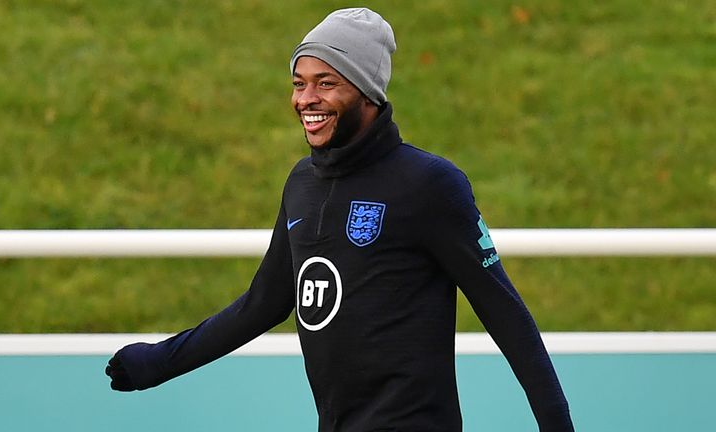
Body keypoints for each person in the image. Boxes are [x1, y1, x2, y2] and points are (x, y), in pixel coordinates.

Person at [105, 7, 574, 431]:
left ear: (367, 92)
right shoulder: (301, 183)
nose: (306, 98)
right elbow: (264, 303)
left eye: (326, 83)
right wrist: (159, 361)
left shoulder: (430, 184)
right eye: (298, 82)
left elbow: (505, 312)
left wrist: (556, 424)